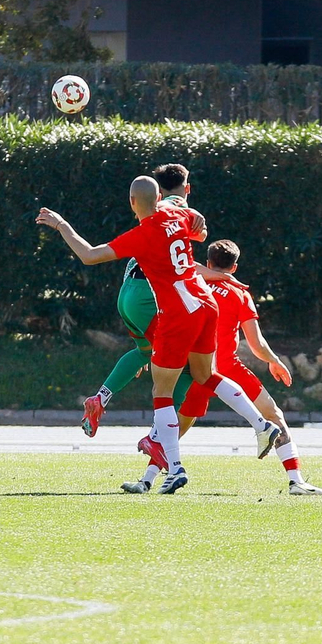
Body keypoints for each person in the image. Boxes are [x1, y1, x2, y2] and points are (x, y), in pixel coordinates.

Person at [37, 177, 284, 493]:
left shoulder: (142, 234)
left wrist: (60, 225)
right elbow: (199, 229)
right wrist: (197, 222)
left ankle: (176, 468)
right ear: (160, 198)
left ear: (132, 202)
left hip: (177, 313)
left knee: (162, 391)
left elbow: (89, 254)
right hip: (205, 304)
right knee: (205, 375)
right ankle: (262, 426)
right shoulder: (175, 214)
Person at [139, 239, 322, 495]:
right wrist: (274, 361)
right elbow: (256, 343)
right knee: (274, 415)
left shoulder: (194, 284)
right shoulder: (240, 294)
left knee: (178, 427)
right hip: (228, 368)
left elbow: (183, 270)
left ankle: (147, 480)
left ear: (208, 263)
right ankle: (296, 480)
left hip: (198, 368)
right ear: (235, 267)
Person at [80, 163, 195, 440]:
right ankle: (159, 437)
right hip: (149, 296)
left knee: (145, 352)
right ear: (186, 189)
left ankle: (100, 398)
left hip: (128, 293)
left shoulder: (152, 212)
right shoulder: (175, 207)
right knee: (190, 366)